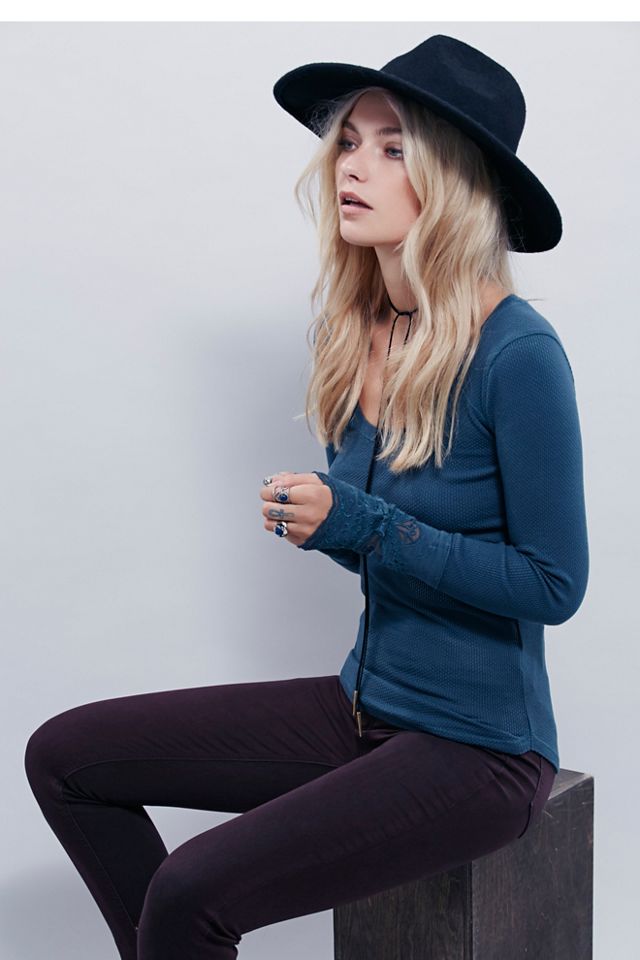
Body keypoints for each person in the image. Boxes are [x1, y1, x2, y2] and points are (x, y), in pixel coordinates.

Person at [23, 33, 589, 960]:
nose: (352, 167)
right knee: (65, 759)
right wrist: (328, 527)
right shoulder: (353, 334)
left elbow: (553, 585)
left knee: (191, 892)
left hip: (482, 749)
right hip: (363, 706)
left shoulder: (518, 354)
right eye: (349, 141)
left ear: (452, 182)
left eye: (393, 147)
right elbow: (390, 553)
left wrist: (362, 521)